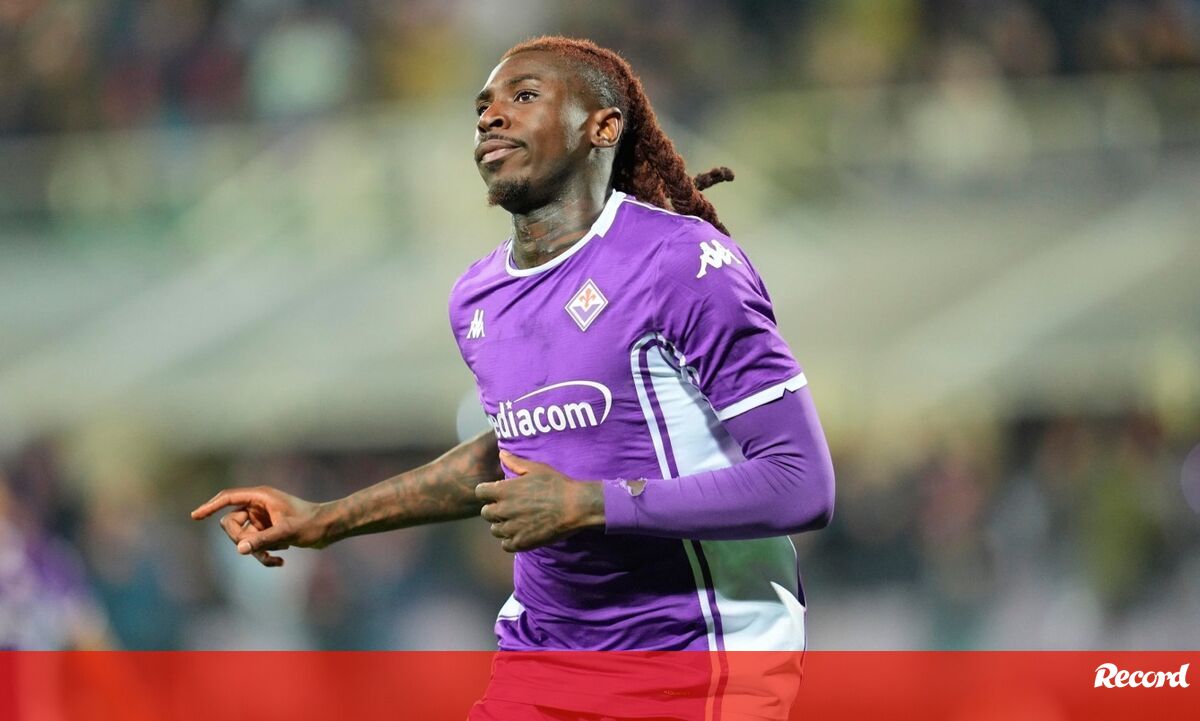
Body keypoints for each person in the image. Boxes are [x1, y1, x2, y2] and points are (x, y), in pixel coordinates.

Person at [192, 36, 835, 720]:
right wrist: (327, 519)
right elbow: (511, 450)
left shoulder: (681, 263)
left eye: (524, 96)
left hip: (694, 662)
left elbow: (801, 483)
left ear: (602, 127)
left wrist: (593, 503)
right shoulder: (479, 296)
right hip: (544, 658)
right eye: (482, 107)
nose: (490, 117)